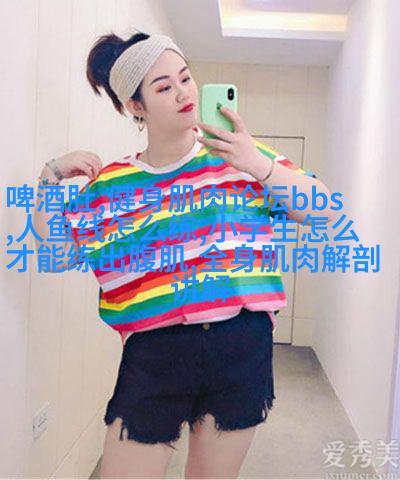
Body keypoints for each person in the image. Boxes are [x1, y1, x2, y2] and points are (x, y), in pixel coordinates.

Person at [34, 30, 334, 479]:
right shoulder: (114, 184)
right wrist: (50, 175)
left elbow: (324, 209)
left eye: (185, 78)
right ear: (136, 106)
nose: (183, 93)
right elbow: (58, 251)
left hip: (239, 346)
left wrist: (258, 164)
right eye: (164, 87)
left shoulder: (240, 156)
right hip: (154, 354)